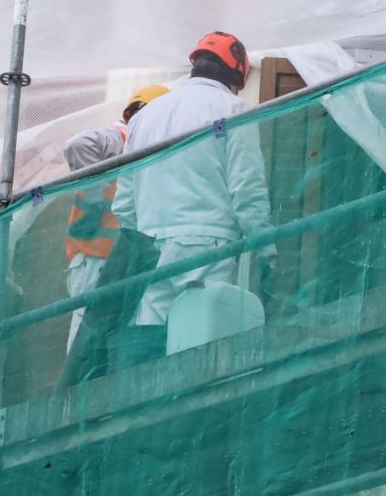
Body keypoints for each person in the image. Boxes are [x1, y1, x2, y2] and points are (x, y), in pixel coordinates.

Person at [112, 32, 273, 360]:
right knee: (200, 338)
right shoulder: (234, 109)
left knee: (151, 340)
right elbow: (246, 189)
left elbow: (124, 202)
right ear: (237, 75)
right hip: (207, 243)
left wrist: (144, 235)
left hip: (151, 244)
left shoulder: (145, 117)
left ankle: (148, 409)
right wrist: (266, 245)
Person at [61, 84, 170, 352]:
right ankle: (76, 392)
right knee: (85, 336)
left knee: (103, 337)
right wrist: (99, 200)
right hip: (96, 258)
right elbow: (78, 144)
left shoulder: (144, 146)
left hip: (115, 258)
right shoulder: (123, 135)